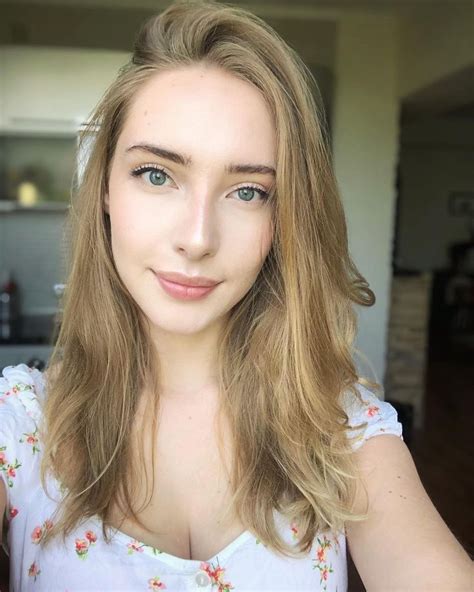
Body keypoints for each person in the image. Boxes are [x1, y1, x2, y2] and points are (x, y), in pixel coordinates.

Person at [1, 1, 472, 590]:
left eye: (248, 191)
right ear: (104, 190)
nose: (197, 239)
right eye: (156, 174)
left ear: (285, 218)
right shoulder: (18, 427)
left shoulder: (344, 435)